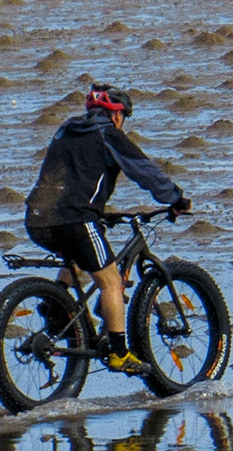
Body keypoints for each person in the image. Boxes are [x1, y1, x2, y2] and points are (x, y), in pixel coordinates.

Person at [25, 84, 191, 375]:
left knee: (79, 258)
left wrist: (98, 211)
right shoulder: (109, 134)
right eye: (123, 116)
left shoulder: (65, 131)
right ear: (116, 115)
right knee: (111, 282)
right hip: (75, 219)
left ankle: (56, 306)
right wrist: (175, 198)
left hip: (37, 218)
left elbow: (72, 178)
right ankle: (119, 354)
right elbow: (145, 171)